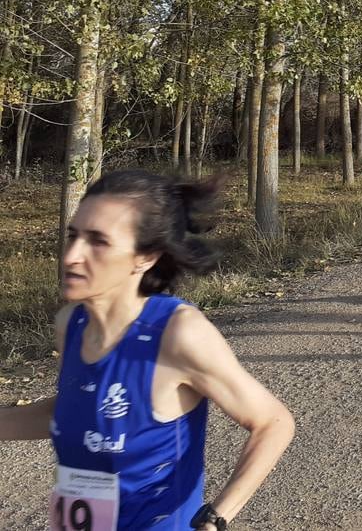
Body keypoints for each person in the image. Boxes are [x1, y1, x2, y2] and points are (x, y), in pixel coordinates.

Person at [0, 170, 294, 530]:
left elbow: (273, 423)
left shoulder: (177, 333)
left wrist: (216, 518)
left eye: (98, 242)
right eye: (73, 236)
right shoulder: (71, 325)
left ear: (145, 257)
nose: (72, 256)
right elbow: (68, 411)